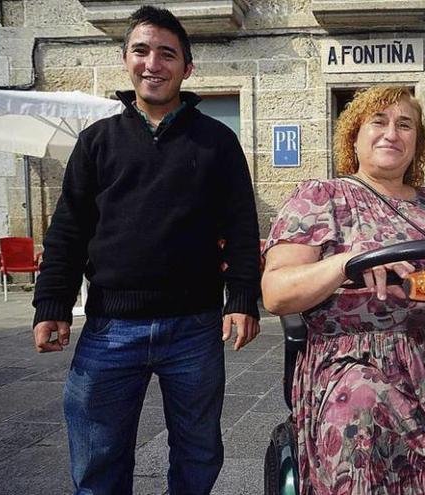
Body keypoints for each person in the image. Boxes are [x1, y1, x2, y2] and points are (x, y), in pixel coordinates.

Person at [31, 5, 261, 494]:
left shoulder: (217, 142)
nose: (152, 63)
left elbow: (242, 226)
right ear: (126, 59)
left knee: (199, 455)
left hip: (195, 329)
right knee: (98, 461)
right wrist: (51, 304)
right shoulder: (97, 142)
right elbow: (67, 230)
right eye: (142, 50)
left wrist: (242, 298)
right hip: (110, 331)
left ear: (186, 67)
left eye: (167, 54)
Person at [261, 86, 425, 494]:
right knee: (362, 401)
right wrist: (344, 262)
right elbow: (276, 292)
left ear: (418, 142)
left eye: (405, 125)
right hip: (354, 357)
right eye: (378, 122)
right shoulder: (322, 197)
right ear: (354, 137)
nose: (391, 133)